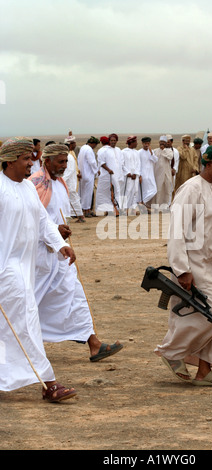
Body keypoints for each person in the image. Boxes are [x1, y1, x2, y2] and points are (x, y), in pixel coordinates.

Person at [155, 144, 212, 386]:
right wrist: (181, 270)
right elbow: (176, 232)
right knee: (209, 315)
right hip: (197, 265)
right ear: (209, 164)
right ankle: (170, 352)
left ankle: (205, 371)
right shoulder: (191, 189)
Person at [29, 143, 123, 361]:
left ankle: (94, 344)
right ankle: (20, 345)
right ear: (47, 161)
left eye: (66, 162)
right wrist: (55, 231)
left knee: (76, 295)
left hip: (61, 255)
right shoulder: (34, 185)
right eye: (60, 162)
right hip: (40, 257)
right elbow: (30, 222)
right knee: (31, 303)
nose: (64, 166)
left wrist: (62, 230)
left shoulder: (60, 183)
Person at [0, 137, 77, 402]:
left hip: (25, 266)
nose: (31, 163)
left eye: (32, 158)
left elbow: (43, 221)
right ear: (10, 161)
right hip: (5, 269)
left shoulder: (28, 189)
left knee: (10, 325)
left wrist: (59, 245)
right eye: (26, 159)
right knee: (26, 320)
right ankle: (50, 383)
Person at [96, 133, 128, 215]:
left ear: (117, 141)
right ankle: (111, 210)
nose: (113, 142)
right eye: (111, 140)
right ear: (109, 141)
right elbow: (101, 163)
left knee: (118, 192)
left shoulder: (118, 150)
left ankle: (118, 209)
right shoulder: (105, 150)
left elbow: (121, 163)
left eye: (114, 140)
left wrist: (125, 172)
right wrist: (109, 170)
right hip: (109, 175)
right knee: (109, 193)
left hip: (118, 175)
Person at [63, 134, 85, 223]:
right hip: (68, 181)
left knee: (74, 198)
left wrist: (62, 179)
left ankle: (81, 216)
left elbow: (69, 171)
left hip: (69, 181)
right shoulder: (69, 155)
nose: (75, 145)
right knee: (70, 199)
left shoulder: (69, 156)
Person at [150, 136, 173, 210]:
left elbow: (170, 157)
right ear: (159, 143)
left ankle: (165, 206)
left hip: (167, 173)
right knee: (158, 189)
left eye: (164, 142)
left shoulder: (169, 151)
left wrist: (164, 150)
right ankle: (156, 206)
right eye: (161, 142)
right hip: (157, 173)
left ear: (166, 143)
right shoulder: (155, 151)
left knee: (166, 189)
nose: (162, 144)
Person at [78, 136, 99, 217]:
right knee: (88, 194)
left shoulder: (83, 148)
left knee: (83, 193)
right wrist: (96, 172)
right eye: (95, 145)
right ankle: (87, 211)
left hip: (82, 174)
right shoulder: (89, 150)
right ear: (93, 144)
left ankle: (84, 210)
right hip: (88, 175)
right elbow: (92, 162)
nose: (95, 147)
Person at [121, 136, 141, 213]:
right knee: (127, 191)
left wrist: (136, 173)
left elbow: (138, 164)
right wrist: (128, 173)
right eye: (135, 142)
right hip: (127, 176)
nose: (137, 144)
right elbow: (122, 164)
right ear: (131, 143)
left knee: (135, 191)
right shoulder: (123, 152)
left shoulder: (136, 152)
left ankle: (133, 208)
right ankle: (124, 209)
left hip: (135, 176)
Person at [138, 137, 158, 210]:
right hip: (143, 175)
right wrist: (139, 175)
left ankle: (142, 203)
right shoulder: (139, 152)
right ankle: (142, 203)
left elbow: (155, 160)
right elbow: (138, 164)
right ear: (142, 143)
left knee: (154, 189)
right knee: (144, 191)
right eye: (145, 143)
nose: (147, 145)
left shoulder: (151, 151)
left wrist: (151, 153)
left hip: (150, 174)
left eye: (148, 143)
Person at [166, 134, 179, 204]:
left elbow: (177, 161)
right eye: (166, 142)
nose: (167, 143)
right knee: (165, 189)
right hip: (166, 172)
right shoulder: (163, 150)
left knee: (171, 188)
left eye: (169, 142)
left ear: (171, 142)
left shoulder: (176, 151)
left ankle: (169, 203)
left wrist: (174, 169)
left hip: (173, 173)